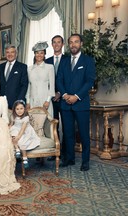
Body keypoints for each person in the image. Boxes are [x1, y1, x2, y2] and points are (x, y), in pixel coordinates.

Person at [56, 33, 96, 171]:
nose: (73, 45)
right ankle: (69, 159)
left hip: (81, 104)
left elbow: (89, 81)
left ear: (81, 44)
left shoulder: (88, 61)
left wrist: (76, 96)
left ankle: (85, 161)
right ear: (68, 44)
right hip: (66, 104)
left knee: (84, 134)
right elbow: (59, 79)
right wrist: (66, 95)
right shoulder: (64, 61)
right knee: (68, 133)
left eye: (76, 42)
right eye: (71, 42)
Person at [45, 35, 67, 161]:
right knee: (53, 125)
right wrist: (52, 94)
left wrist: (60, 92)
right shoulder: (47, 61)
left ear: (62, 44)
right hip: (51, 99)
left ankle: (65, 151)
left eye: (59, 42)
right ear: (52, 45)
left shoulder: (67, 59)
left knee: (65, 126)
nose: (57, 44)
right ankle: (55, 150)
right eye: (54, 42)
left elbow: (69, 80)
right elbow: (46, 81)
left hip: (64, 98)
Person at [26, 41, 55, 117]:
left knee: (46, 124)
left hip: (45, 101)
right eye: (37, 53)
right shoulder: (29, 69)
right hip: (33, 101)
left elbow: (52, 86)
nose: (39, 55)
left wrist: (48, 100)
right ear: (34, 54)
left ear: (44, 54)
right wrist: (28, 102)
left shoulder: (50, 67)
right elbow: (29, 86)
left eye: (41, 53)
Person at [9, 100, 40, 168]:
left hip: (25, 132)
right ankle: (17, 149)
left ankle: (25, 158)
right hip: (16, 129)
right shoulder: (13, 116)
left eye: (21, 108)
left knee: (22, 142)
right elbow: (11, 125)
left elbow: (22, 130)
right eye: (17, 109)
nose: (19, 111)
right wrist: (7, 131)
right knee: (12, 132)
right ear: (14, 110)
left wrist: (18, 137)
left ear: (24, 109)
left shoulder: (26, 118)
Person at [0, 45, 28, 109]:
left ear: (16, 54)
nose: (10, 54)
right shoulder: (0, 67)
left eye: (12, 52)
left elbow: (24, 85)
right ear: (5, 54)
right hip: (1, 102)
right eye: (7, 52)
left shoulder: (22, 67)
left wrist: (19, 101)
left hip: (16, 103)